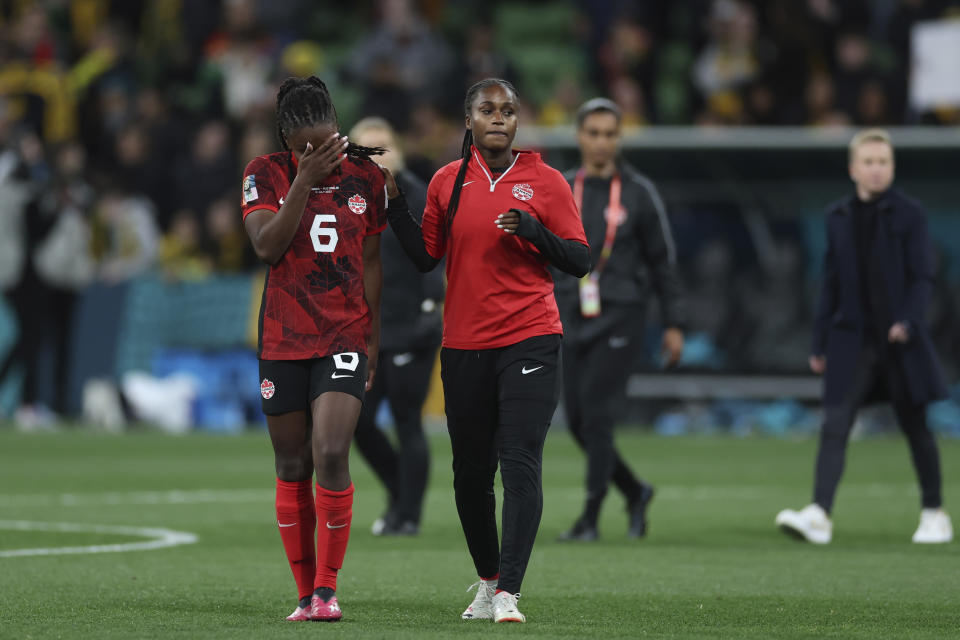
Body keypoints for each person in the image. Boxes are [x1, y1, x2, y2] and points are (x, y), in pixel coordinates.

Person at [383, 78, 589, 623]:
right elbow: (427, 257)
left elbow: (579, 258)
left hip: (532, 335)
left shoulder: (545, 181)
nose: (499, 118)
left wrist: (534, 231)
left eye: (508, 110)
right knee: (471, 475)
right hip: (465, 345)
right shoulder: (447, 182)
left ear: (518, 121)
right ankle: (487, 580)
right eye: (487, 109)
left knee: (520, 461)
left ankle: (509, 594)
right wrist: (395, 204)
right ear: (468, 120)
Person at [241, 76, 387, 622]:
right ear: (287, 141)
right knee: (292, 460)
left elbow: (373, 262)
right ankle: (303, 594)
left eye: (327, 141)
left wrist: (374, 336)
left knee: (330, 451)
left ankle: (328, 589)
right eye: (306, 146)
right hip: (284, 335)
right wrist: (303, 180)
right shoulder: (265, 174)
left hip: (345, 333)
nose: (320, 152)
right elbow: (266, 245)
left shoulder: (366, 176)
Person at [776, 128, 953, 545]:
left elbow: (924, 276)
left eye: (884, 162)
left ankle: (934, 512)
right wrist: (819, 342)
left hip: (899, 340)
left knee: (915, 425)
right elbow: (830, 283)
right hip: (852, 340)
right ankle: (819, 514)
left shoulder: (910, 213)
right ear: (854, 168)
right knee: (835, 423)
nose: (877, 170)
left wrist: (908, 321)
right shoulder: (838, 216)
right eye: (870, 162)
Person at [555, 98, 686, 542]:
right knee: (576, 422)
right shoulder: (560, 187)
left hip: (621, 316)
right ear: (579, 136)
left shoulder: (637, 192)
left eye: (609, 134)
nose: (601, 142)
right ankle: (635, 490)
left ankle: (590, 519)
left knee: (597, 416)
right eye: (593, 133)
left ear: (619, 139)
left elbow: (662, 261)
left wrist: (673, 323)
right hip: (571, 314)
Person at [348, 117, 443, 536]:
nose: (375, 155)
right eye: (365, 148)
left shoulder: (418, 195)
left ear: (398, 150)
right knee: (357, 421)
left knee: (407, 419)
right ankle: (400, 494)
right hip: (362, 330)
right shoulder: (345, 199)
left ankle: (409, 515)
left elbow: (433, 255)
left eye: (382, 146)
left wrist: (430, 308)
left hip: (409, 327)